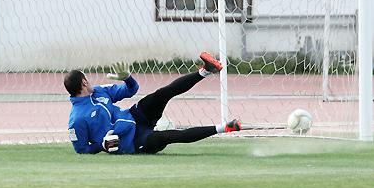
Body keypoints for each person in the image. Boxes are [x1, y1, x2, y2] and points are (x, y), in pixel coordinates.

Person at [64, 52, 242, 154]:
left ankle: (206, 71)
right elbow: (81, 149)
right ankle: (225, 127)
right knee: (168, 136)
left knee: (162, 94)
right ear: (84, 82)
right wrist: (102, 146)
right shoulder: (77, 119)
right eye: (87, 78)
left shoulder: (99, 91)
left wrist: (127, 78)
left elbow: (131, 90)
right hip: (132, 142)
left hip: (135, 116)